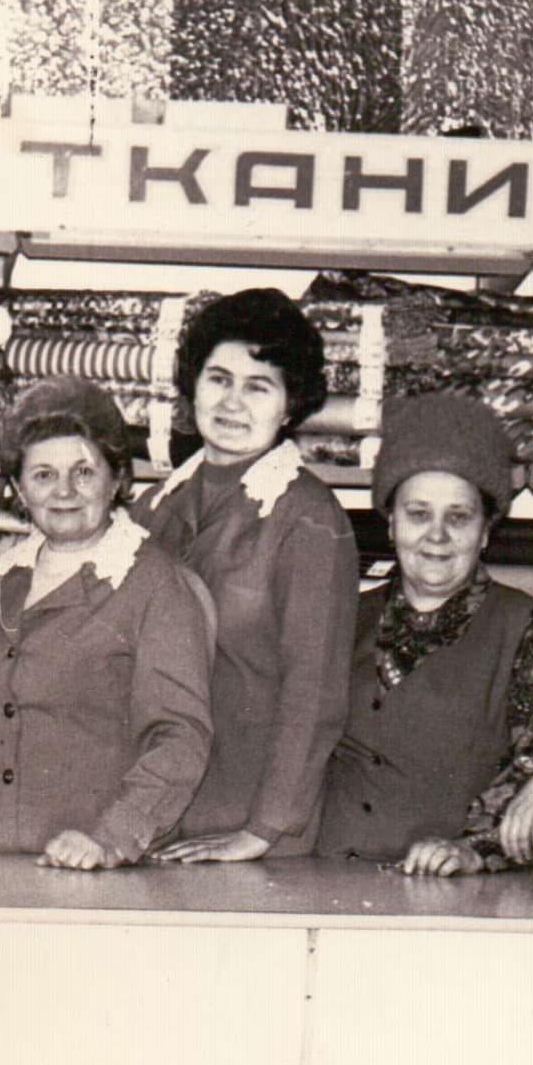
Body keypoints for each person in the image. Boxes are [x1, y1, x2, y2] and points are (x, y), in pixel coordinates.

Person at [318, 393, 533, 876]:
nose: (436, 536)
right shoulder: (344, 616)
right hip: (326, 875)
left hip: (456, 894)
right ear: (391, 520)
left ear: (486, 531)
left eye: (458, 518)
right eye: (419, 514)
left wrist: (472, 849)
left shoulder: (528, 628)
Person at [0, 377, 213, 870]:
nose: (64, 491)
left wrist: (110, 837)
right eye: (43, 475)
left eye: (84, 472)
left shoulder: (155, 585)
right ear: (17, 489)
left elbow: (179, 738)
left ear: (117, 479)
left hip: (90, 868)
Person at [140, 289, 359, 864]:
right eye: (219, 378)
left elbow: (316, 690)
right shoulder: (153, 506)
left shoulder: (308, 516)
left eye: (258, 386)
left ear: (290, 406)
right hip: (153, 809)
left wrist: (263, 829)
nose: (232, 402)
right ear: (192, 386)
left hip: (247, 820)